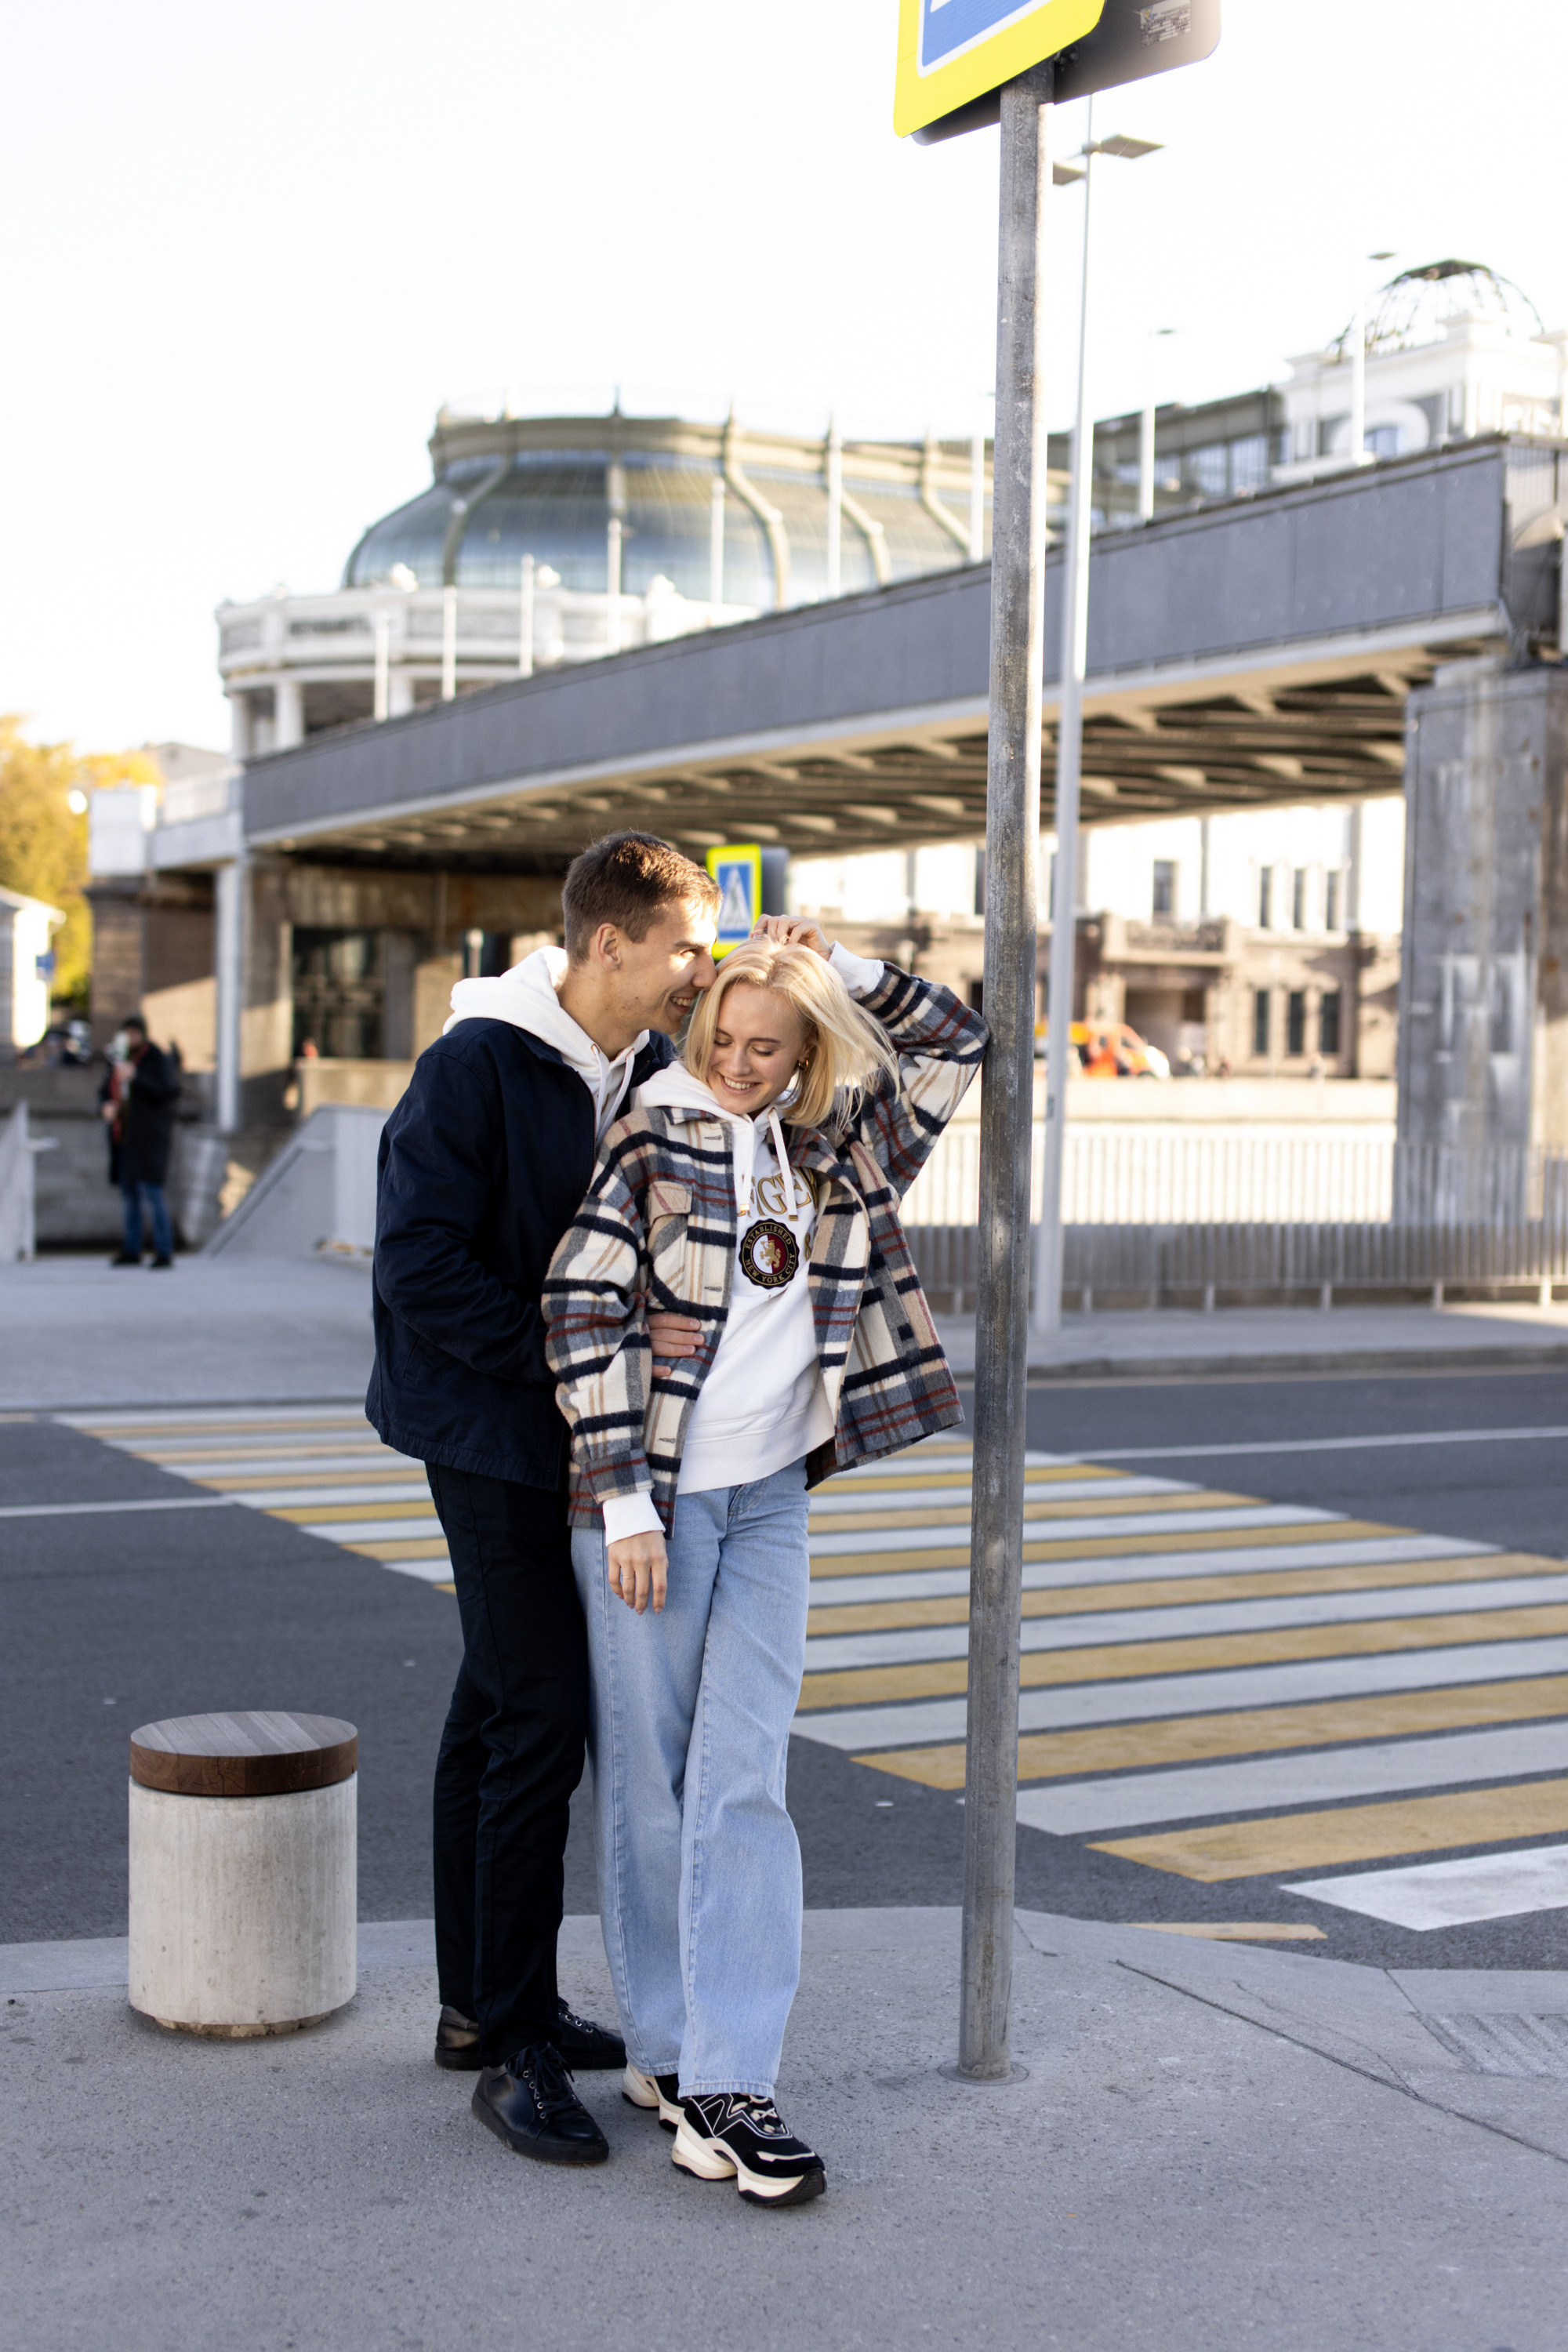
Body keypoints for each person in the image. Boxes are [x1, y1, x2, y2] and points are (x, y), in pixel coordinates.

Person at [544, 916, 987, 2207]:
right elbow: (581, 1306)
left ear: (805, 1057)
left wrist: (845, 970)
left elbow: (960, 1047)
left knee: (743, 1781)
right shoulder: (651, 1129)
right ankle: (670, 2049)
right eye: (726, 1040)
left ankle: (728, 2082)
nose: (738, 1065)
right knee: (652, 1782)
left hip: (771, 1501)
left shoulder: (834, 1146)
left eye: (767, 1049)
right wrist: (623, 1499)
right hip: (653, 1506)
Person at [367, 832, 720, 2169]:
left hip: (574, 1431)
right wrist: (575, 1365)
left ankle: (476, 2005)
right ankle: (513, 2039)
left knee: (492, 1704)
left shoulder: (640, 1067)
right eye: (686, 944)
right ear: (608, 942)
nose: (704, 967)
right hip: (488, 1427)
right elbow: (420, 1265)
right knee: (540, 1717)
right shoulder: (476, 1063)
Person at [100, 1014, 180, 1267]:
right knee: (129, 1195)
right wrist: (105, 1105)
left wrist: (136, 1077)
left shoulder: (156, 1058)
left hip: (149, 1139)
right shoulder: (118, 1057)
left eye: (135, 1033)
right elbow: (105, 1089)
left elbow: (167, 1091)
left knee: (153, 1193)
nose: (131, 1038)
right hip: (123, 1138)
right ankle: (132, 1250)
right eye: (128, 1033)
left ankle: (164, 1251)